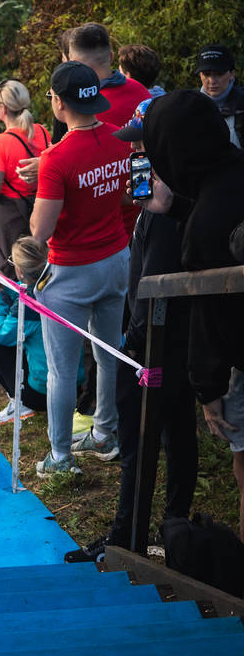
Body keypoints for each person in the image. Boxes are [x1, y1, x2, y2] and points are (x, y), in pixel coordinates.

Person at [65, 98, 198, 562]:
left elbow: (157, 285)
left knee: (143, 443)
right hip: (158, 336)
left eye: (141, 143)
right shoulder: (158, 186)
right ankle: (169, 525)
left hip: (155, 346)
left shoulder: (169, 205)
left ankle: (130, 538)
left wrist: (135, 350)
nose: (134, 151)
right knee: (177, 433)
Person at [137, 89, 244, 541]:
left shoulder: (202, 231)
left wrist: (208, 388)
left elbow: (210, 311)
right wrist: (175, 206)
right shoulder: (234, 172)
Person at [30, 61, 131, 477]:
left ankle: (60, 456)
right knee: (109, 352)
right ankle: (105, 433)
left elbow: (40, 229)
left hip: (70, 273)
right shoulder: (121, 139)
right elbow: (127, 200)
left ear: (58, 102)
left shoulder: (55, 159)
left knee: (61, 370)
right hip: (116, 261)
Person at [0, 79, 50, 278]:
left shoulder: (0, 143)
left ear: (1, 108)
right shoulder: (42, 131)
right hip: (40, 209)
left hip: (12, 219)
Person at [0, 236, 50, 424]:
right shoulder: (56, 284)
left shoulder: (28, 304)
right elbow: (28, 291)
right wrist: (8, 286)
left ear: (20, 271)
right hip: (76, 382)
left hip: (43, 393)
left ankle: (21, 401)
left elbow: (2, 335)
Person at [195, 43, 244, 147]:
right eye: (206, 74)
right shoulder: (189, 106)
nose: (212, 81)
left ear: (232, 74)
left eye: (219, 74)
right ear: (200, 75)